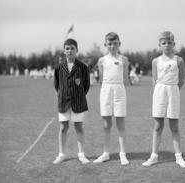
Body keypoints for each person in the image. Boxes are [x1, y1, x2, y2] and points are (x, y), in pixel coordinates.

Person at [142, 31, 185, 168]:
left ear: (174, 44)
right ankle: (154, 156)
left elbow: (181, 80)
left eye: (169, 42)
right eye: (164, 43)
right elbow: (154, 79)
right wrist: (158, 92)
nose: (167, 45)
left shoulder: (179, 60)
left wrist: (172, 90)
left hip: (173, 92)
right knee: (157, 126)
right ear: (159, 45)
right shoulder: (155, 61)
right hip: (159, 93)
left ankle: (179, 157)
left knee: (174, 126)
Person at [93, 32, 130, 165]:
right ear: (105, 45)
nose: (112, 46)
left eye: (115, 43)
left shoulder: (124, 59)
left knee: (120, 124)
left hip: (119, 90)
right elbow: (101, 79)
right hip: (106, 90)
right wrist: (106, 89)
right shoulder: (101, 60)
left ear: (119, 44)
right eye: (110, 44)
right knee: (106, 125)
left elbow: (126, 78)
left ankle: (122, 154)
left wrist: (121, 88)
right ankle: (105, 153)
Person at [53, 38, 90, 164]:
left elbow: (86, 86)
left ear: (77, 50)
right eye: (67, 48)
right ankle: (61, 154)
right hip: (63, 102)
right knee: (63, 127)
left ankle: (81, 154)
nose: (70, 51)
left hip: (78, 102)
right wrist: (63, 95)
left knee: (79, 127)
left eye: (72, 48)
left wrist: (77, 96)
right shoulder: (58, 68)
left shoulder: (83, 67)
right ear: (64, 51)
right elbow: (56, 85)